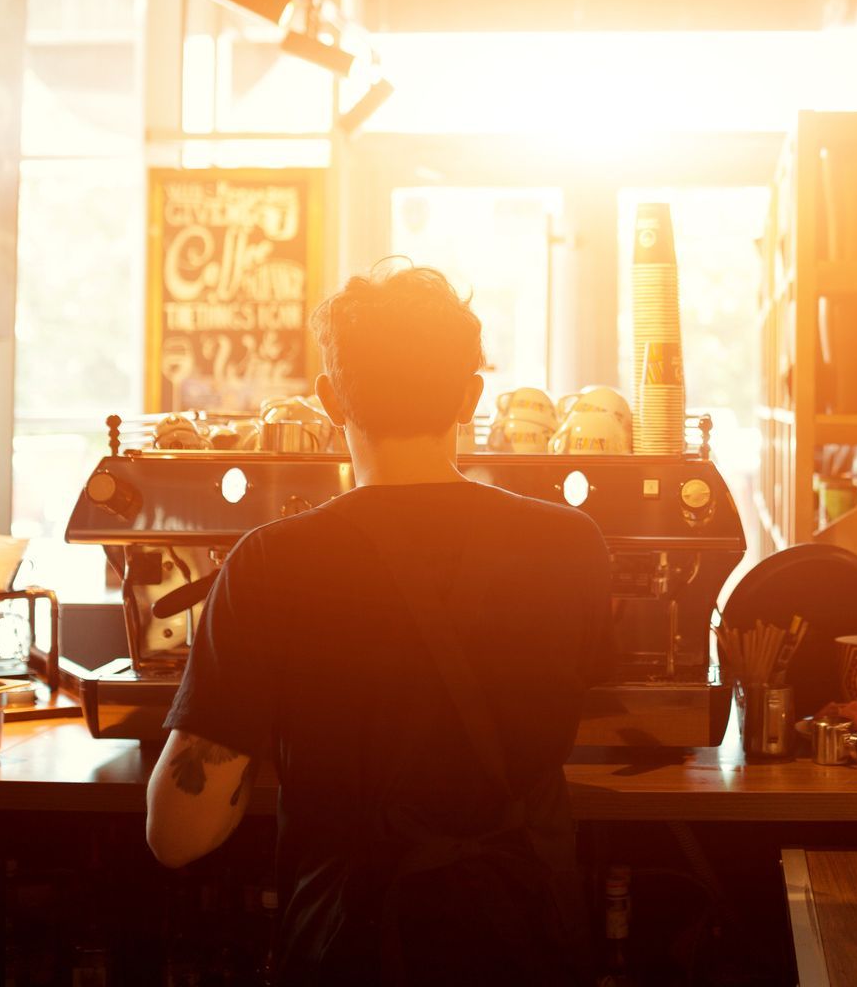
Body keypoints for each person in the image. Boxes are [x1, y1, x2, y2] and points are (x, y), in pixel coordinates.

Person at [146, 260, 613, 985]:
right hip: (523, 936)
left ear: (331, 398)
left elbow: (179, 833)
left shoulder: (272, 563)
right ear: (470, 396)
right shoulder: (572, 545)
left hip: (351, 944)